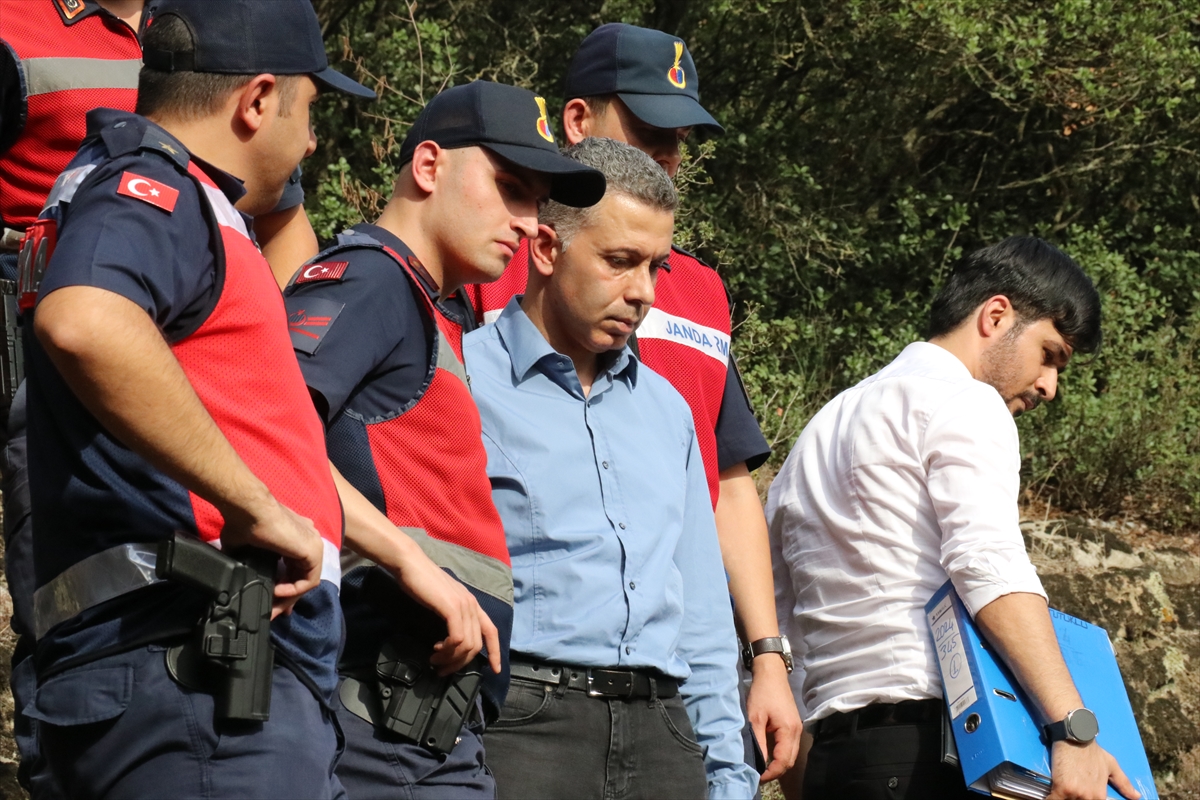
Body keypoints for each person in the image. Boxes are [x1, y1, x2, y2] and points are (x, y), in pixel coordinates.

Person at [20, 1, 376, 796]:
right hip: (201, 683)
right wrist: (254, 504)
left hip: (199, 681)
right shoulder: (157, 187)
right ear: (257, 100)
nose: (312, 141)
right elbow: (84, 320)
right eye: (309, 110)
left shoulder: (159, 194)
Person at [465, 23, 801, 781]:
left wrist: (765, 657)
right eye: (649, 131)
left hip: (665, 699)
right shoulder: (493, 264)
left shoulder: (703, 298)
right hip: (528, 702)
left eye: (679, 139)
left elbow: (725, 484)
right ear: (577, 121)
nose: (667, 154)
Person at [283, 79, 605, 799]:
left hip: (423, 723)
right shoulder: (370, 281)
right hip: (376, 717)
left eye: (537, 203)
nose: (528, 223)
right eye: (510, 189)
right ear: (429, 166)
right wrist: (407, 561)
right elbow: (264, 433)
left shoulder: (429, 306)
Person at [767, 237, 1140, 800]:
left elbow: (778, 619)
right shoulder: (966, 402)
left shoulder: (820, 428)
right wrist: (1072, 729)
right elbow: (987, 566)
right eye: (1049, 354)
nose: (1050, 386)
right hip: (934, 752)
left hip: (835, 762)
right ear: (996, 315)